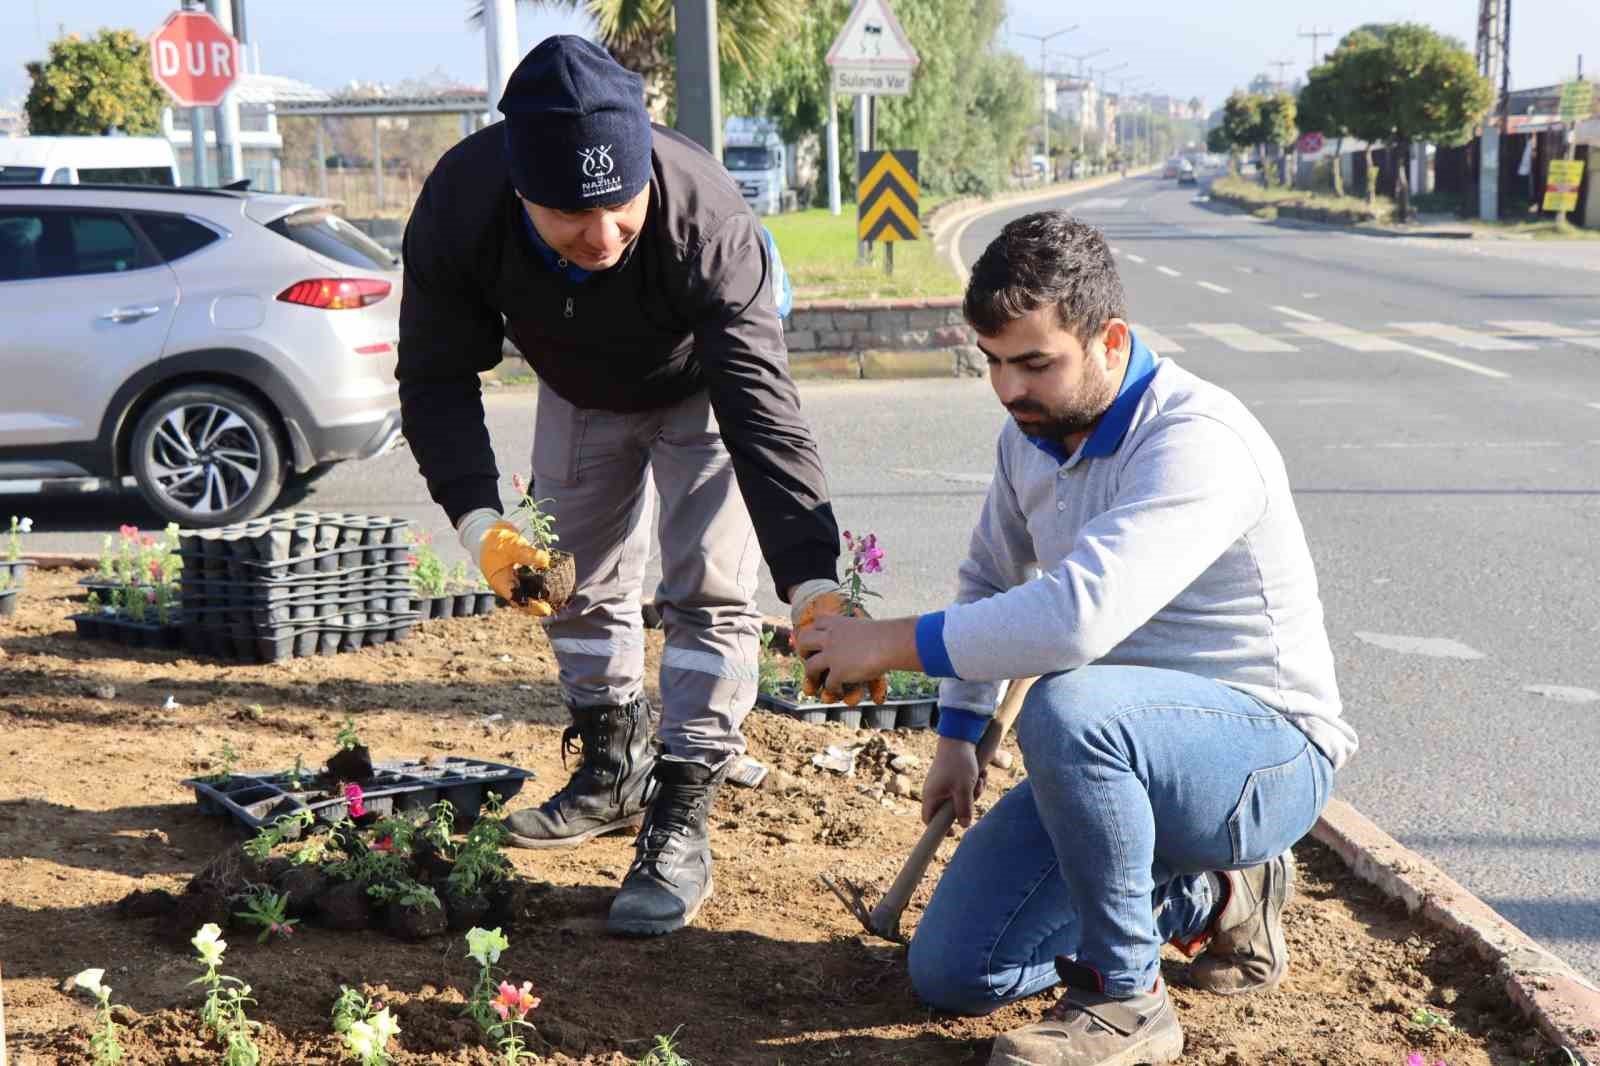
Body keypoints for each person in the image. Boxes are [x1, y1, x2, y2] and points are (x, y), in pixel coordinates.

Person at [796, 210, 1357, 1065]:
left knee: (1069, 702)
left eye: (1034, 362)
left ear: (1110, 340)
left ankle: (1126, 1000)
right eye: (991, 361)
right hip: (1115, 756)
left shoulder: (1198, 441)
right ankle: (1215, 898)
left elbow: (1076, 617)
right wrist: (955, 735)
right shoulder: (1031, 434)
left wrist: (887, 642)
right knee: (955, 971)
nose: (1010, 387)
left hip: (1261, 757)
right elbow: (991, 578)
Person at [397, 35, 877, 937]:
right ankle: (614, 768)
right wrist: (477, 524)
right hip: (578, 386)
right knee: (564, 581)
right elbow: (433, 377)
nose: (605, 235)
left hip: (700, 385)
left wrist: (812, 582)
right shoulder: (462, 206)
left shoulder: (707, 215)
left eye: (621, 207)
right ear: (519, 187)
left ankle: (682, 806)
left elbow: (763, 412)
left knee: (711, 589)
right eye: (572, 218)